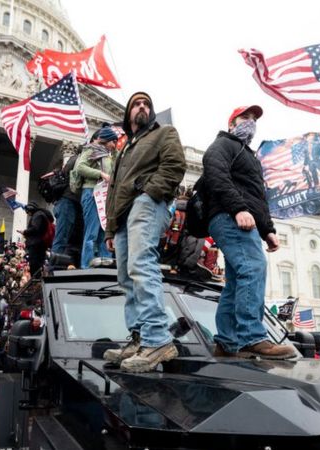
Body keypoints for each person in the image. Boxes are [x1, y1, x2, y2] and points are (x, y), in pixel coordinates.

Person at [200, 105, 295, 359]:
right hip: (230, 217)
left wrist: (268, 230)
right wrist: (238, 208)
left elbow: (257, 197)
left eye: (254, 119)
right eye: (245, 118)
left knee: (236, 282)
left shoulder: (249, 156)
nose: (250, 122)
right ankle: (252, 337)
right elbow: (215, 174)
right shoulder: (223, 144)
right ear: (232, 123)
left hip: (243, 219)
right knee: (253, 268)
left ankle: (227, 343)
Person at [102, 92, 186, 373]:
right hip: (123, 216)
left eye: (146, 104)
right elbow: (113, 191)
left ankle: (157, 339)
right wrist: (110, 230)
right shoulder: (125, 149)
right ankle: (139, 339)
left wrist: (149, 194)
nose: (142, 107)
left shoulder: (164, 134)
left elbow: (175, 166)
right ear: (128, 113)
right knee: (126, 276)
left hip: (146, 204)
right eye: (136, 103)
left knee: (141, 265)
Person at [75, 126, 117, 268]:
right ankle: (86, 267)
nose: (115, 145)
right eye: (114, 142)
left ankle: (105, 267)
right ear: (108, 140)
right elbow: (80, 167)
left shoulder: (109, 155)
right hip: (92, 192)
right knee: (91, 233)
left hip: (105, 196)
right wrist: (101, 174)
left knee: (104, 234)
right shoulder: (91, 149)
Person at [49, 145, 82, 258]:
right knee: (62, 238)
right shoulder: (77, 159)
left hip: (71, 202)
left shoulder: (73, 160)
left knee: (68, 240)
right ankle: (54, 268)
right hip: (68, 201)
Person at [20, 202, 54, 277]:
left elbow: (35, 228)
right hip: (40, 244)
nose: (27, 214)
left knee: (34, 265)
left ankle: (35, 282)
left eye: (27, 211)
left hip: (36, 245)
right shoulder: (41, 214)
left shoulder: (37, 215)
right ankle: (37, 281)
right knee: (38, 264)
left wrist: (25, 231)